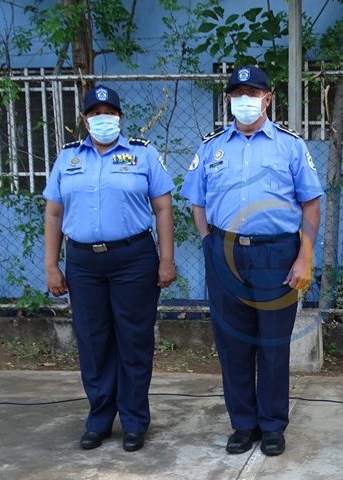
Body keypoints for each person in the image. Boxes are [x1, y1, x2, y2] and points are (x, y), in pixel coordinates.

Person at [182, 65, 323, 456]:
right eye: (238, 93)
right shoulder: (211, 147)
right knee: (233, 343)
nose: (245, 100)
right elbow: (198, 201)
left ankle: (273, 426)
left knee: (273, 344)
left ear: (267, 98)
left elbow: (311, 203)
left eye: (253, 92)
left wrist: (304, 256)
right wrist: (209, 243)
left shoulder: (290, 145)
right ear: (228, 99)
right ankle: (243, 424)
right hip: (225, 252)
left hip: (276, 253)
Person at [43, 84, 176, 452]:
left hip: (133, 258)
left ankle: (133, 421)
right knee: (93, 341)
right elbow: (53, 214)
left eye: (110, 113)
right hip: (83, 262)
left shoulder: (142, 154)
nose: (103, 119)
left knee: (134, 341)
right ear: (85, 119)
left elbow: (163, 207)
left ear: (120, 117)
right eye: (96, 113)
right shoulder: (68, 158)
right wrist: (51, 265)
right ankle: (99, 420)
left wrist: (166, 259)